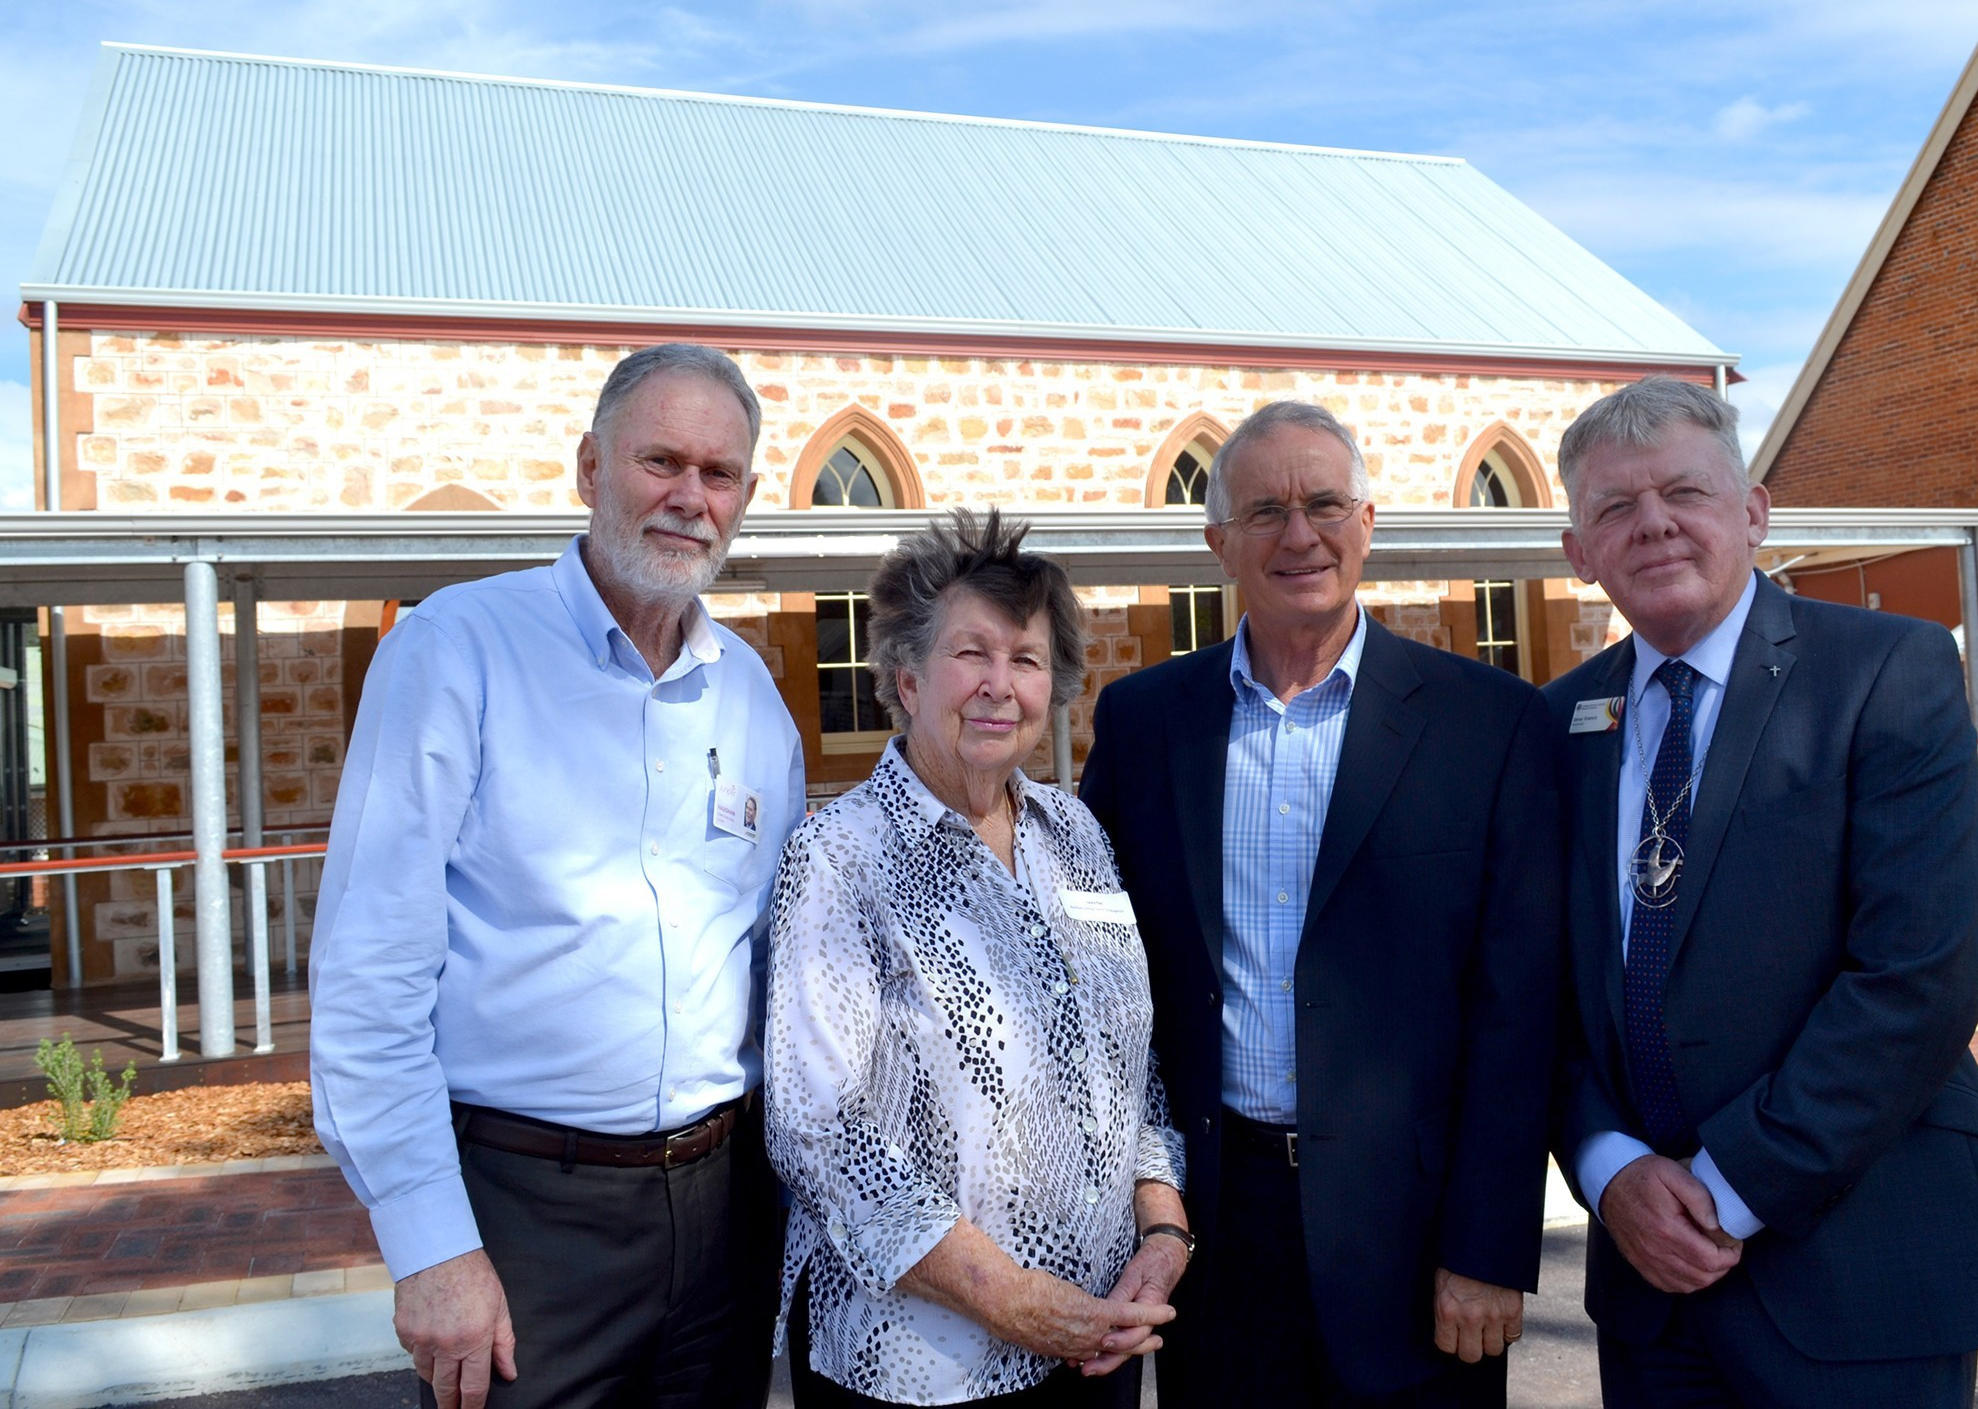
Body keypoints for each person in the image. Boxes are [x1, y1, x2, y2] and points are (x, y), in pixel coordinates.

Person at [310, 342, 805, 1409]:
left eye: (718, 475)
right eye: (658, 461)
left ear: (747, 497)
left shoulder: (753, 696)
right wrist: (429, 1244)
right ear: (588, 467)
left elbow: (776, 962)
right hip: (529, 1216)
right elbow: (369, 976)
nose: (688, 498)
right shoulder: (454, 652)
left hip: (724, 1211)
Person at [1080, 401, 1563, 1406]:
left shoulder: (1488, 724)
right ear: (1217, 543)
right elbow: (1098, 980)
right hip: (1216, 1230)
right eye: (1264, 512)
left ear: (1368, 521)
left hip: (1419, 1233)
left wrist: (1488, 1245)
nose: (1299, 535)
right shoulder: (1141, 725)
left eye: (1324, 504)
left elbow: (1519, 1008)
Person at [1546, 375, 1978, 1407]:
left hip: (1856, 1266)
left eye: (1682, 493)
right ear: (1577, 554)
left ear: (1751, 511)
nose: (1651, 523)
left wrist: (1723, 1190)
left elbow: (1915, 977)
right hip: (1647, 1288)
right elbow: (1536, 983)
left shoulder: (1887, 672)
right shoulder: (1557, 721)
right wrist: (1609, 1166)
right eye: (1613, 507)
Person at [764, 507, 1189, 1408]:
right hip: (921, 1365)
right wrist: (1015, 1300)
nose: (1000, 685)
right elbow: (820, 1130)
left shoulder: (1074, 835)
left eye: (1026, 660)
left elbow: (1126, 1062)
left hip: (1094, 1343)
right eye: (973, 654)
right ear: (907, 677)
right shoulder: (842, 855)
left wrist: (1163, 1231)